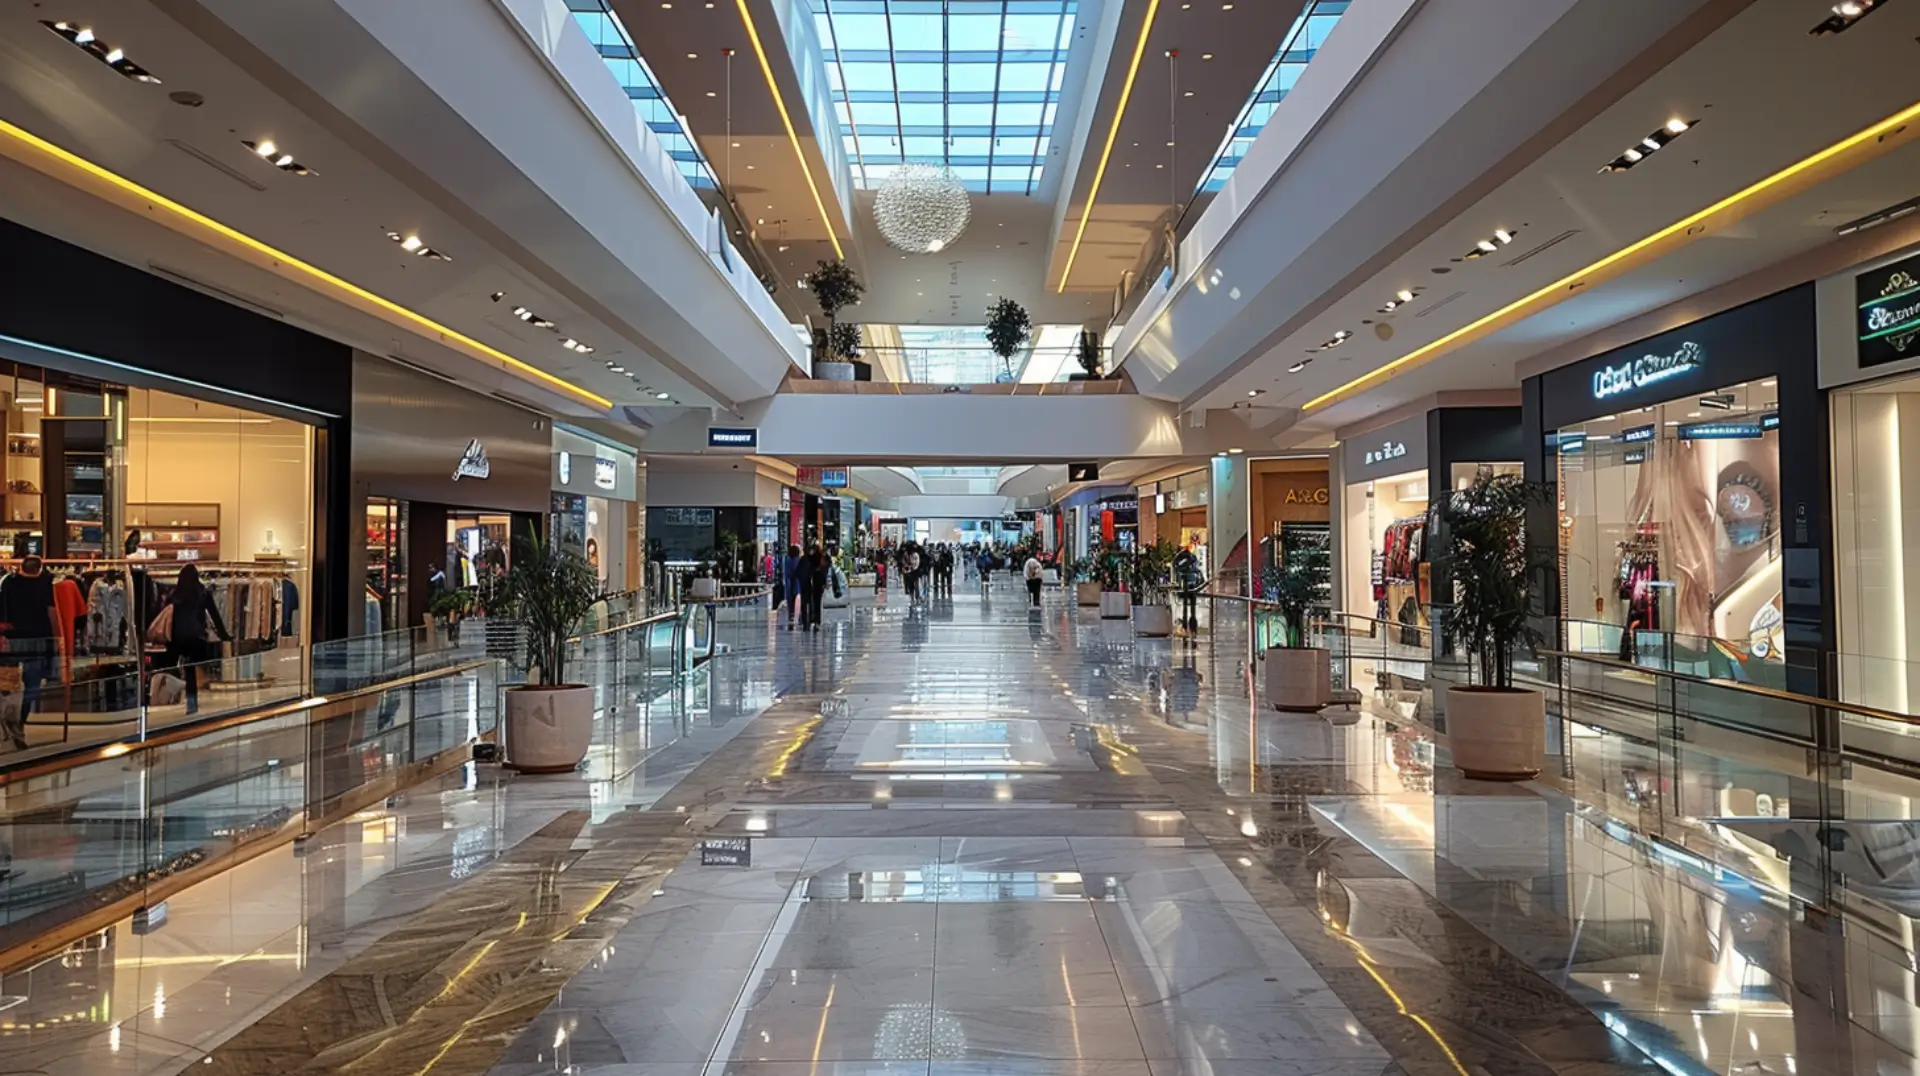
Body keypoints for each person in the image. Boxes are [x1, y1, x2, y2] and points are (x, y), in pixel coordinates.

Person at [162, 564, 232, 715]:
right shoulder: (203, 593)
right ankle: (192, 700)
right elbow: (214, 615)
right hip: (197, 637)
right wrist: (224, 635)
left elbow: (165, 612)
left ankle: (177, 696)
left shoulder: (175, 594)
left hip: (178, 637)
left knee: (181, 667)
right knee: (193, 668)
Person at [0, 555, 57, 731]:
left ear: (22, 568)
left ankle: (8, 715)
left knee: (8, 682)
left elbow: (2, 610)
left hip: (13, 638)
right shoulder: (46, 583)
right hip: (39, 638)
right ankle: (20, 721)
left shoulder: (9, 582)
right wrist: (56, 638)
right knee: (32, 684)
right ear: (39, 569)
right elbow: (51, 612)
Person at [1173, 546, 1205, 634]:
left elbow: (1176, 567)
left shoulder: (1185, 559)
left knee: (1187, 607)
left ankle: (1188, 626)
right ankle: (1189, 626)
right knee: (1189, 607)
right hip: (1189, 585)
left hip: (1188, 585)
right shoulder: (1190, 559)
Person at [796, 544, 823, 631]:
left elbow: (797, 572)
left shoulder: (805, 559)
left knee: (807, 603)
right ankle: (814, 621)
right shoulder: (817, 560)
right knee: (815, 604)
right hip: (813, 586)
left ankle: (807, 621)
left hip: (807, 585)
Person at [806, 545, 830, 630]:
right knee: (817, 603)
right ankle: (816, 621)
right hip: (818, 584)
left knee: (810, 602)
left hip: (811, 584)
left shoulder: (811, 559)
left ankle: (810, 619)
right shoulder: (823, 560)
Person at [782, 544, 803, 630]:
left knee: (790, 598)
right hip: (797, 581)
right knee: (797, 595)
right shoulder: (798, 560)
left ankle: (791, 615)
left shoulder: (787, 560)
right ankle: (796, 617)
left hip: (788, 581)